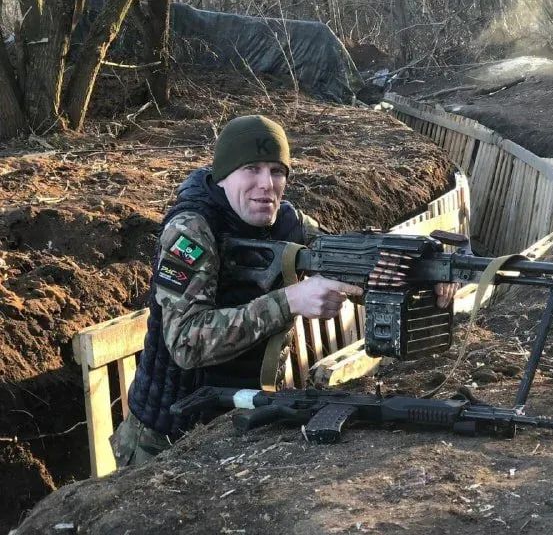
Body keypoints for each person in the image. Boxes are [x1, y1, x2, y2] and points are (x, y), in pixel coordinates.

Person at [110, 115, 457, 467]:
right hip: (164, 440)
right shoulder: (190, 231)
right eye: (251, 169)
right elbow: (186, 342)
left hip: (238, 423)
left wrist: (423, 273)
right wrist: (289, 301)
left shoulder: (289, 222)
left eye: (277, 171)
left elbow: (349, 262)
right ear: (224, 175)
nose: (266, 184)